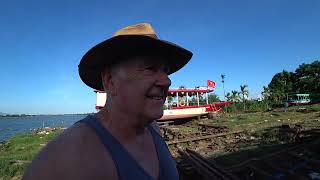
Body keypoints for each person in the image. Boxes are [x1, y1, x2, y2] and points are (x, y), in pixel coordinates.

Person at [23, 23, 192, 180]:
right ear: (110, 81)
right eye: (150, 69)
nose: (167, 81)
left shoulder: (153, 128)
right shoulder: (64, 158)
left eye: (166, 71)